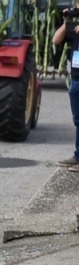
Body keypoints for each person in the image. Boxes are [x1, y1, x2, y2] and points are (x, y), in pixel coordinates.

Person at [59, 15, 79, 171]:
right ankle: (78, 156)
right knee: (78, 120)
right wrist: (66, 22)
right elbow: (56, 40)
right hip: (76, 80)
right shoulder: (75, 27)